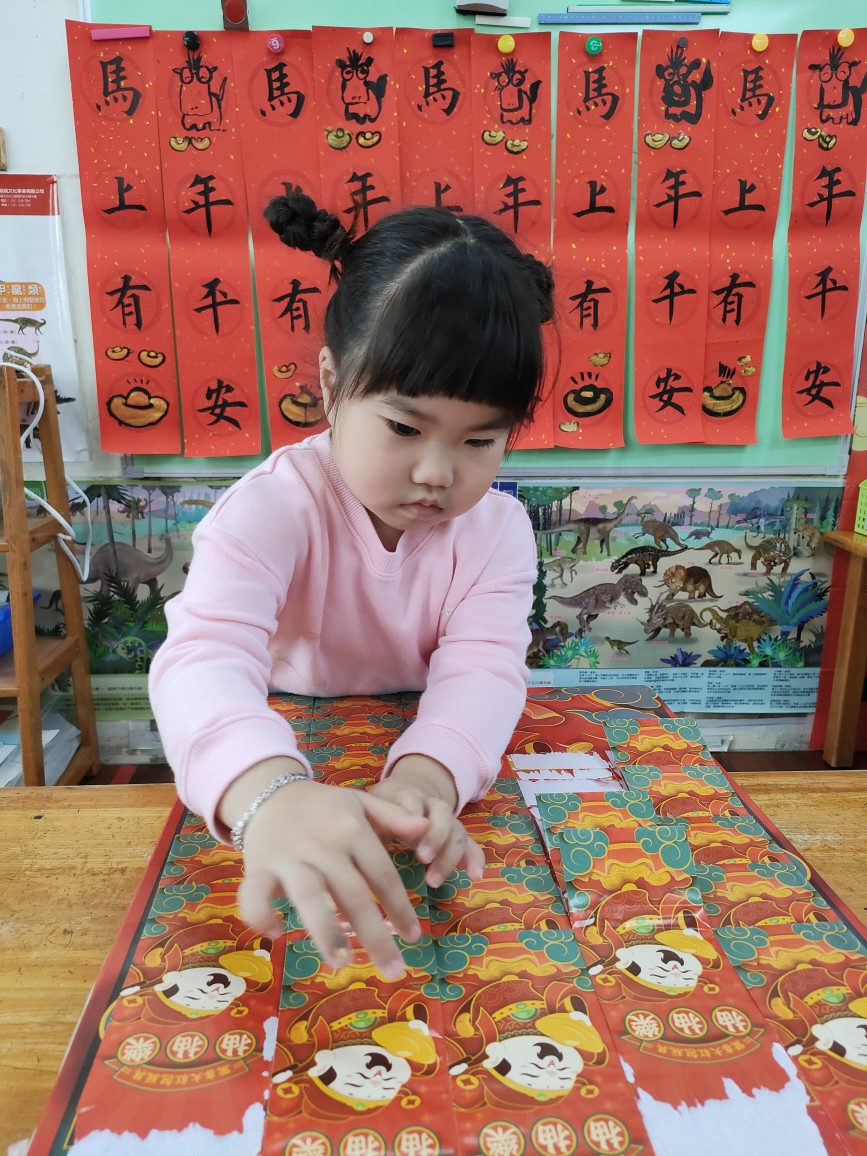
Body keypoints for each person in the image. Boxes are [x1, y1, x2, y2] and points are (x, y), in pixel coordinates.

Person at [149, 187, 555, 980]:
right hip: (280, 742)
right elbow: (203, 655)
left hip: (421, 743)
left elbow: (483, 668)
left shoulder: (497, 531)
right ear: (332, 384)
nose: (436, 472)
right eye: (403, 428)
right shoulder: (271, 507)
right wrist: (266, 791)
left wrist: (428, 774)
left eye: (480, 440)